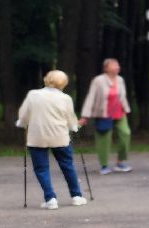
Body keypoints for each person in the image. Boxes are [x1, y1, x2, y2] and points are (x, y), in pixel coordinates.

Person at [18, 70, 87, 209]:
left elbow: (24, 116)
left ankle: (50, 199)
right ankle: (77, 196)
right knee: (67, 166)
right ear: (63, 84)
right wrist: (75, 126)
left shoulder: (33, 95)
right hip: (60, 137)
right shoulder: (65, 98)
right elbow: (71, 120)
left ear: (47, 79)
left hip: (37, 137)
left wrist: (22, 124)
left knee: (41, 169)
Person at [79, 58, 132, 175]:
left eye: (117, 65)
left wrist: (126, 109)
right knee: (104, 140)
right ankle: (104, 165)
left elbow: (122, 96)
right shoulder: (98, 80)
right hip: (103, 114)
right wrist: (85, 116)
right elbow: (91, 97)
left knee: (125, 134)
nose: (117, 67)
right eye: (114, 65)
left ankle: (120, 162)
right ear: (106, 68)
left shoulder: (120, 79)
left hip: (119, 112)